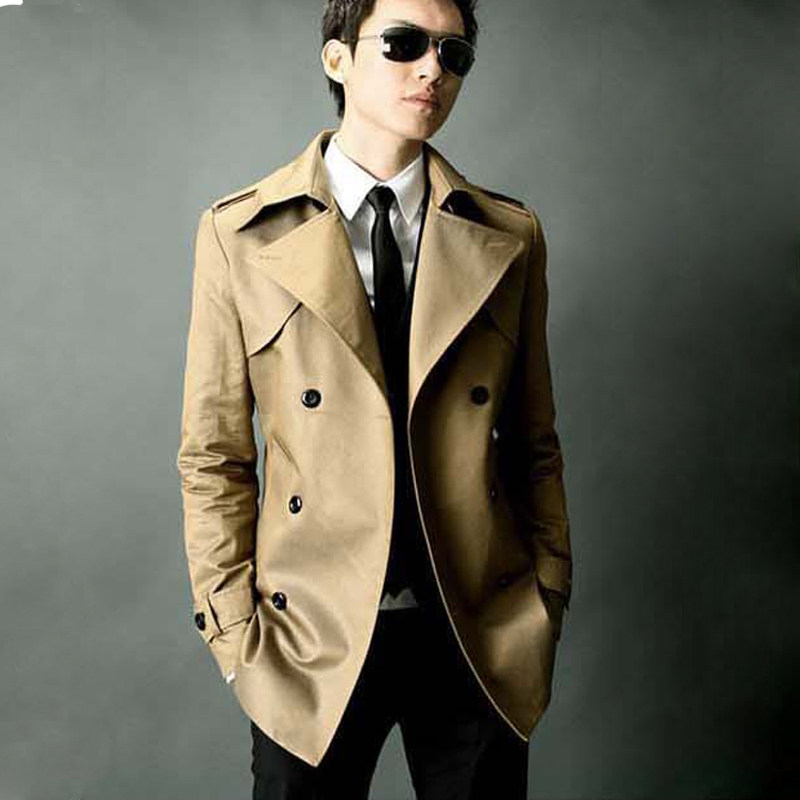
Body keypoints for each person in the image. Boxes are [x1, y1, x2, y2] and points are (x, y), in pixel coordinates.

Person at [176, 0, 573, 796]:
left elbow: (534, 443)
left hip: (476, 628)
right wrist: (235, 632)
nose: (432, 69)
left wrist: (545, 593)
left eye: (453, 54)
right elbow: (214, 455)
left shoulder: (510, 236)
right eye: (403, 43)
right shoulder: (239, 233)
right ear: (337, 59)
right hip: (306, 636)